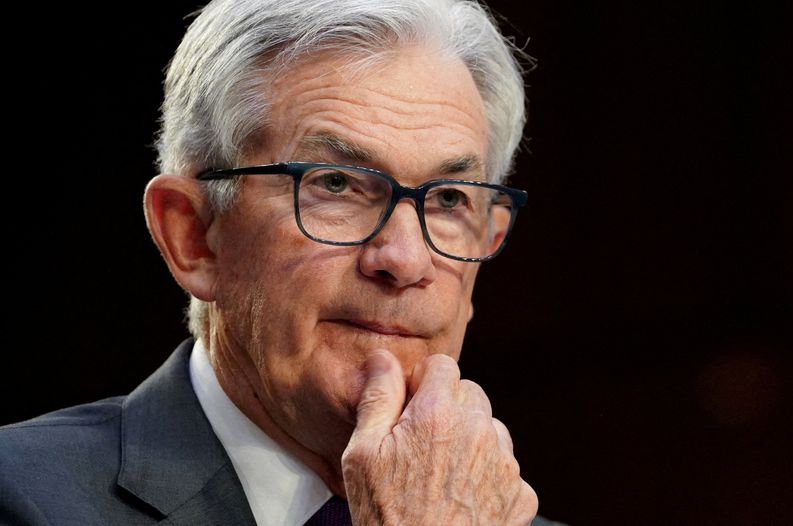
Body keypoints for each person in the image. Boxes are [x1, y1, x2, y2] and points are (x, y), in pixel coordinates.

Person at [0, 0, 565, 524]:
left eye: (448, 199)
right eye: (337, 184)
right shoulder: (22, 497)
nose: (404, 259)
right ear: (193, 235)